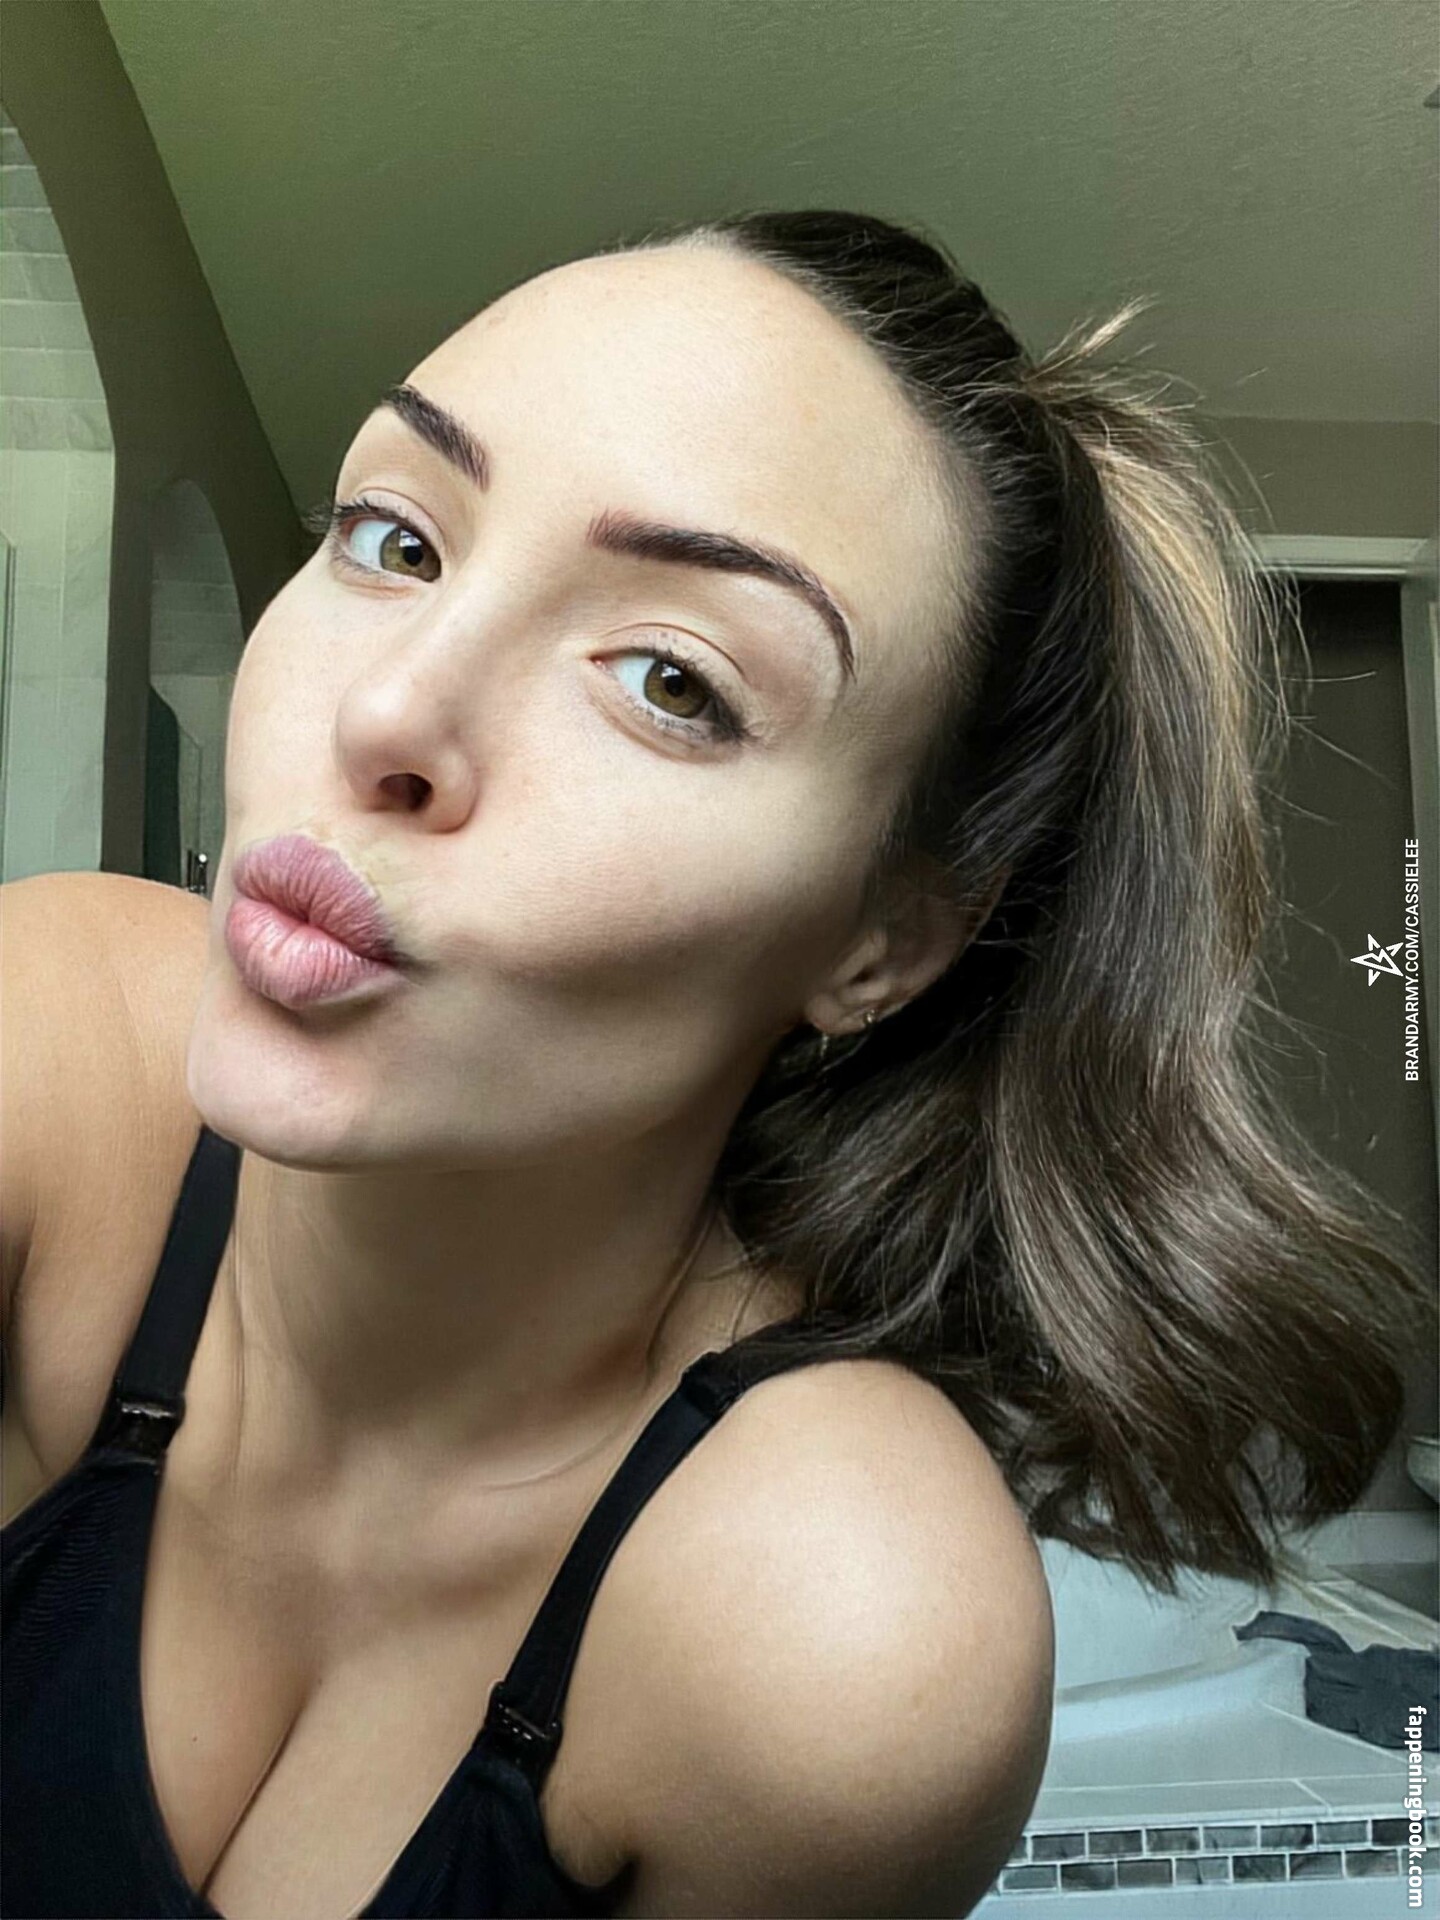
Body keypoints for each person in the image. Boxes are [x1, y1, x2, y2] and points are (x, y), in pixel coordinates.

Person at [1, 207, 1429, 1920]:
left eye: (672, 681)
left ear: (883, 939)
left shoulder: (835, 1633)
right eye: (395, 537)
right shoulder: (46, 1045)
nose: (383, 715)